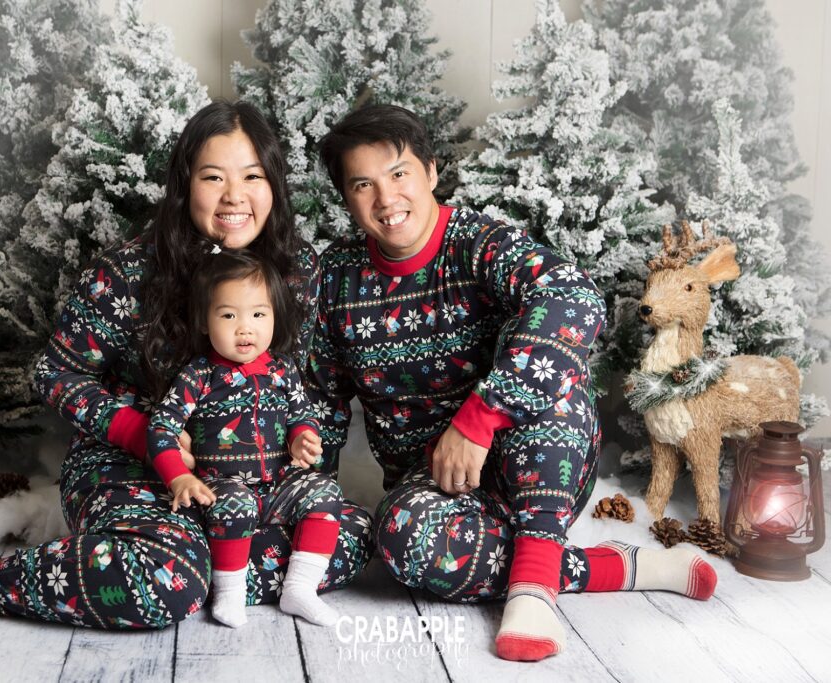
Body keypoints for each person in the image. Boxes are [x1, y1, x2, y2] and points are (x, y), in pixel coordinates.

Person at [0, 101, 373, 630]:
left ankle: (192, 562)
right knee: (168, 578)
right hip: (131, 468)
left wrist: (303, 452)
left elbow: (310, 384)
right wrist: (141, 435)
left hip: (252, 476)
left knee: (347, 536)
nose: (235, 196)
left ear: (273, 183)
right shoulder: (132, 269)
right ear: (186, 184)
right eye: (213, 177)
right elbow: (55, 373)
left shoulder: (298, 268)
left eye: (252, 176)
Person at [306, 104, 718, 661]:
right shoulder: (336, 276)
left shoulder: (481, 243)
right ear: (347, 198)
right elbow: (321, 400)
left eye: (399, 173)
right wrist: (311, 498)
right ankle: (603, 566)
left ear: (430, 171)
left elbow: (574, 297)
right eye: (363, 185)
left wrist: (480, 417)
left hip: (539, 461)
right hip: (437, 483)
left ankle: (531, 589)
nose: (386, 199)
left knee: (551, 363)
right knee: (400, 540)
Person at [150, 249, 342, 628]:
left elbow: (302, 414)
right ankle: (229, 592)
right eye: (228, 315)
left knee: (324, 492)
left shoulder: (282, 369)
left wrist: (302, 437)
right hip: (223, 483)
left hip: (279, 483)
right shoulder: (199, 374)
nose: (245, 328)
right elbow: (161, 429)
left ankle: (300, 588)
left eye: (258, 314)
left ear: (274, 316)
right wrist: (179, 476)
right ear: (205, 322)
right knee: (233, 504)